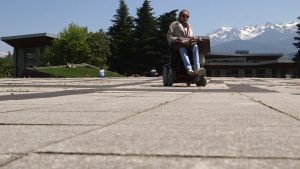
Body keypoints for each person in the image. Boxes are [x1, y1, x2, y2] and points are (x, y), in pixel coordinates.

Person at [167, 10, 204, 76]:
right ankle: (189, 68)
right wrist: (177, 38)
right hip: (179, 45)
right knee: (182, 48)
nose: (185, 17)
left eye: (187, 16)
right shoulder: (174, 24)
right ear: (179, 16)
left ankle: (197, 68)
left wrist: (197, 39)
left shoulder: (188, 26)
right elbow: (169, 36)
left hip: (188, 44)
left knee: (195, 46)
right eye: (183, 16)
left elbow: (192, 36)